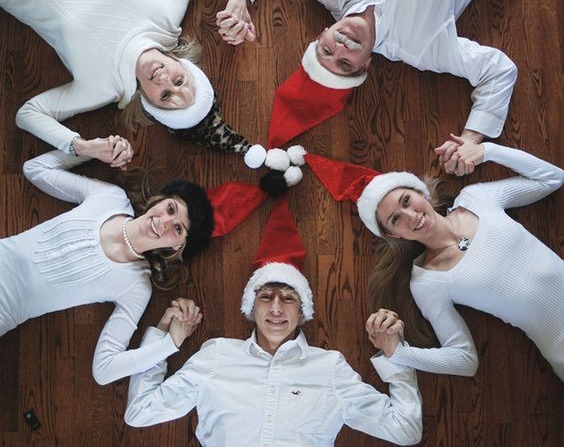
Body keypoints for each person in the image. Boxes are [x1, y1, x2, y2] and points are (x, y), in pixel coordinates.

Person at [124, 196, 423, 445]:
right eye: (266, 296)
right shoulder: (217, 355)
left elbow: (405, 430)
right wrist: (165, 336)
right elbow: (141, 411)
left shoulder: (329, 368)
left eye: (288, 298)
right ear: (251, 308)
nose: (276, 308)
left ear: (302, 311)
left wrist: (395, 355)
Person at [233, 0, 518, 175]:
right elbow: (498, 71)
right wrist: (470, 139)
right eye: (345, 64)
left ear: (322, 35)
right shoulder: (419, 47)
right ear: (366, 64)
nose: (341, 48)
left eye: (327, 51)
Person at [305, 136, 563, 379]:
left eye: (407, 200)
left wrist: (487, 151)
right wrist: (398, 353)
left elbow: (551, 178)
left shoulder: (477, 198)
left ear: (422, 193)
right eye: (396, 219)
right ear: (394, 234)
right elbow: (465, 359)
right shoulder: (427, 283)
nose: (410, 215)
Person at [0, 0, 257, 168]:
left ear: (149, 101)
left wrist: (81, 146)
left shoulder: (103, 88)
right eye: (179, 81)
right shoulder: (165, 19)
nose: (165, 81)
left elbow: (28, 114)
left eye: (165, 96)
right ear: (186, 67)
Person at [0, 137, 215, 385]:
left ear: (178, 245)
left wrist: (170, 343)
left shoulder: (135, 286)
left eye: (177, 229)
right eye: (170, 208)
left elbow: (104, 370)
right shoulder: (110, 197)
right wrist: (93, 150)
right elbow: (35, 169)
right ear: (160, 200)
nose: (163, 222)